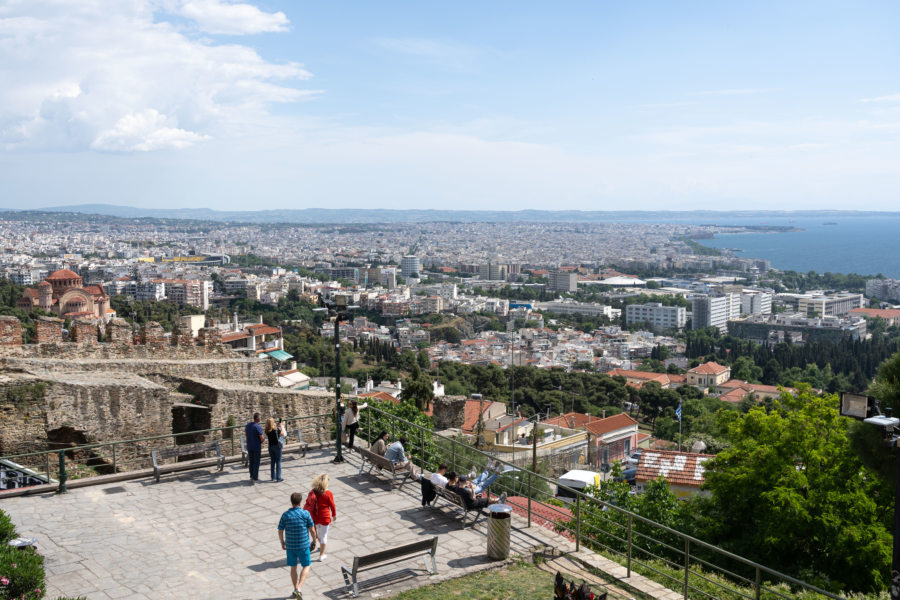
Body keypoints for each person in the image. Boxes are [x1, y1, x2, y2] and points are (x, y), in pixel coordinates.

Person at [277, 491, 317, 600]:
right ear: (300, 502)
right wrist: (314, 540)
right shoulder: (305, 514)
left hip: (290, 546)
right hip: (303, 546)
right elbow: (312, 529)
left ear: (291, 502)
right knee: (306, 565)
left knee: (293, 567)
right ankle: (299, 588)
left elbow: (280, 530)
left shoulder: (285, 515)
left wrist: (282, 542)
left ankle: (295, 588)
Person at [305, 474, 337, 561]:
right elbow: (332, 505)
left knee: (319, 534)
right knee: (324, 536)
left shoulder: (314, 492)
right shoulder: (328, 493)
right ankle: (321, 555)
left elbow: (308, 502)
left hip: (315, 517)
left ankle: (321, 546)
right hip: (325, 517)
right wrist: (334, 514)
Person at [244, 412, 264, 483]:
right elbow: (261, 437)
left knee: (251, 462)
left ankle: (251, 475)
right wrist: (262, 441)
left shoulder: (248, 425)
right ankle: (255, 477)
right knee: (256, 462)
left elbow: (246, 433)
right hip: (256, 447)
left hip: (250, 446)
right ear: (258, 419)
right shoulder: (257, 426)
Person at [265, 417, 284, 482]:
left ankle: (273, 477)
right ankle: (278, 477)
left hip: (270, 447)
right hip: (277, 447)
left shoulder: (267, 431)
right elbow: (283, 433)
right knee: (278, 461)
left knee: (272, 461)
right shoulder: (276, 430)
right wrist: (281, 425)